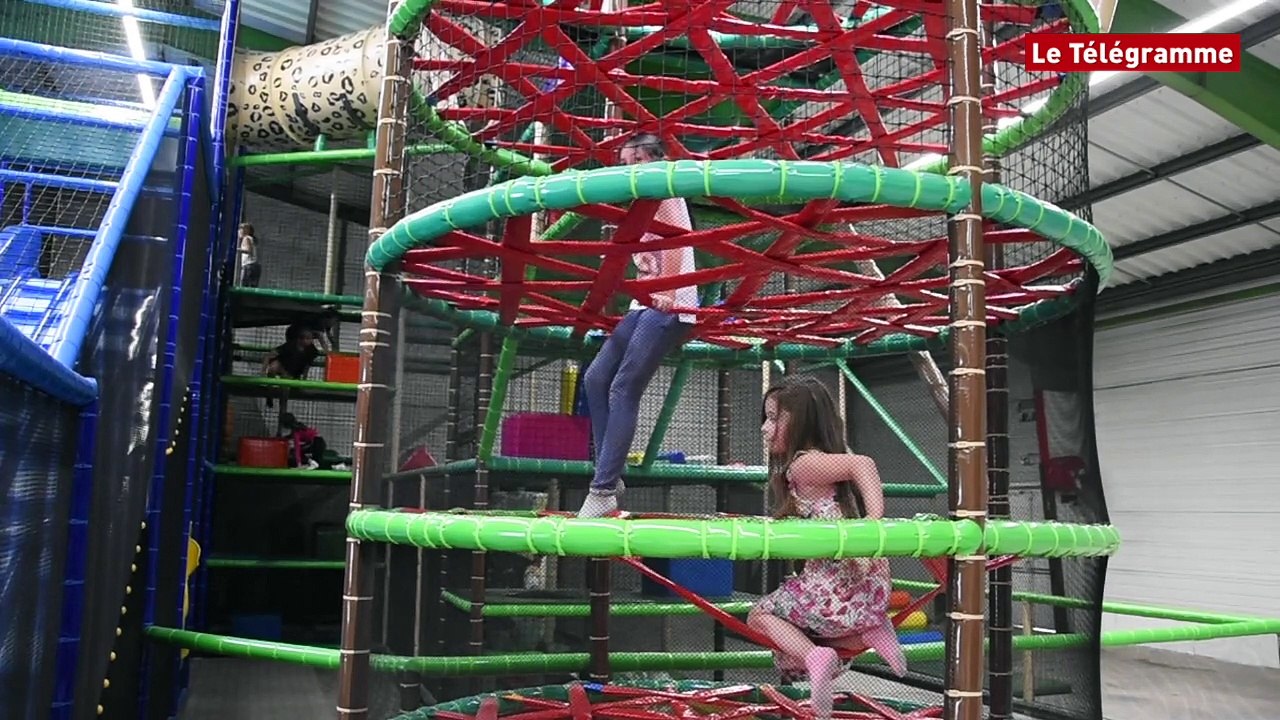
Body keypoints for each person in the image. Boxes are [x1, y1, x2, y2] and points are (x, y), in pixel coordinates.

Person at [748, 376, 907, 719]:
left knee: (759, 614)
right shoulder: (818, 468)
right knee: (796, 648)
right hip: (864, 591)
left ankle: (816, 657)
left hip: (831, 592)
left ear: (802, 420)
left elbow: (862, 464)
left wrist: (873, 521)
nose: (765, 428)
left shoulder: (804, 463)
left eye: (775, 418)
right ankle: (872, 628)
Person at [577, 134, 699, 518]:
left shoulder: (666, 190)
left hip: (670, 304)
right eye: (624, 163)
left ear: (653, 160)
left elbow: (680, 243)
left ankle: (601, 489)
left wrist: (669, 292)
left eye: (635, 162)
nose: (628, 169)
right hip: (644, 303)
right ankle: (609, 476)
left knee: (623, 386)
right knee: (596, 378)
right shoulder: (638, 203)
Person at [238, 223, 261, 287]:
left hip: (249, 266)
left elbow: (249, 250)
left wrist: (237, 250)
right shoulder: (251, 239)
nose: (239, 231)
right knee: (252, 288)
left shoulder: (246, 238)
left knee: (244, 287)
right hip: (255, 265)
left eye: (240, 229)